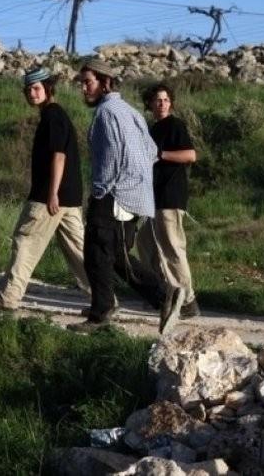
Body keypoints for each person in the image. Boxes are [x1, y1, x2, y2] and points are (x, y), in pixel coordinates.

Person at [68, 59, 184, 334]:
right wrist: (138, 184)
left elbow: (113, 157)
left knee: (96, 253)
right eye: (82, 83)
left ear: (105, 82)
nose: (84, 88)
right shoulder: (131, 111)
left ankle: (104, 313)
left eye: (88, 82)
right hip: (134, 196)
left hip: (114, 195)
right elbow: (151, 151)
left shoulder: (106, 113)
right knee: (115, 255)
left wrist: (101, 191)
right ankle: (156, 298)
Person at [0, 67, 90, 311]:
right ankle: (105, 300)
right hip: (70, 196)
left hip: (49, 197)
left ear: (48, 88)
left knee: (25, 242)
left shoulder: (52, 116)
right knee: (79, 253)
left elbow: (59, 156)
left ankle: (7, 298)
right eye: (28, 89)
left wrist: (52, 193)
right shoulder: (55, 115)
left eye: (37, 88)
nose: (32, 93)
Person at [136, 83, 200, 319]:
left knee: (172, 248)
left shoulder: (175, 125)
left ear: (171, 103)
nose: (162, 103)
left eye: (165, 100)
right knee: (145, 244)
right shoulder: (154, 129)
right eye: (157, 100)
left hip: (170, 196)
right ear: (150, 104)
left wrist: (160, 155)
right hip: (153, 198)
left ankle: (188, 301)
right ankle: (163, 293)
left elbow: (190, 155)